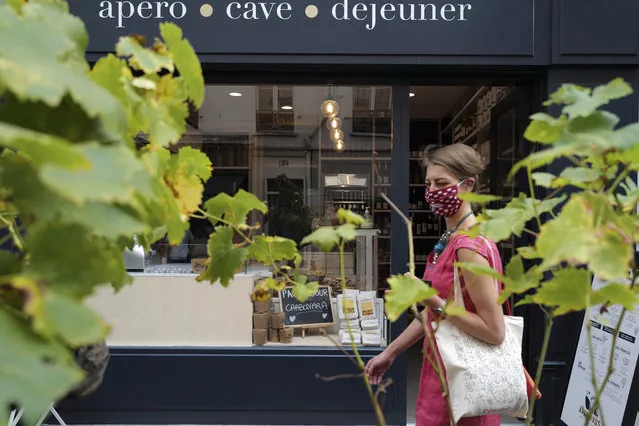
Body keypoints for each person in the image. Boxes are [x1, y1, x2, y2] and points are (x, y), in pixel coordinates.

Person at [365, 144, 506, 426]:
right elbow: (438, 313)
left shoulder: (469, 248)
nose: (432, 191)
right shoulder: (451, 239)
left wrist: (427, 297)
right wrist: (390, 352)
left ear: (467, 187)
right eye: (429, 183)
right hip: (442, 372)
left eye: (442, 183)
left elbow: (494, 331)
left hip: (463, 386)